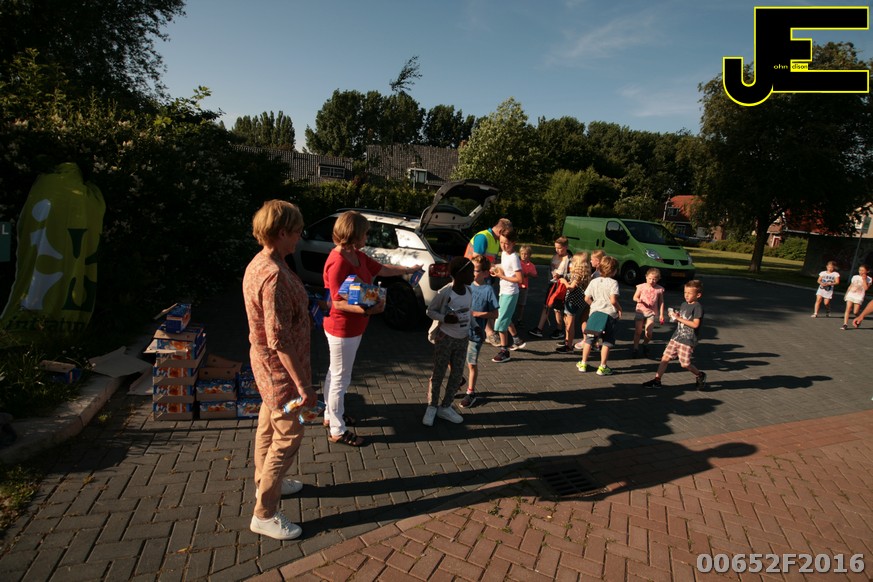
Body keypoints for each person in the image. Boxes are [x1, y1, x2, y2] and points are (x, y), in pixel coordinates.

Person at [242, 200, 316, 541]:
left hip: (267, 368)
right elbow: (279, 340)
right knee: (287, 437)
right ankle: (265, 513)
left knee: (267, 427)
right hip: (281, 373)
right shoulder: (273, 276)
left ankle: (266, 483)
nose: (300, 237)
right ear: (282, 232)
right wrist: (304, 386)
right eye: (297, 231)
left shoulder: (260, 263)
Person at [322, 211, 422, 446]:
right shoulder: (338, 262)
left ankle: (331, 415)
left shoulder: (356, 254)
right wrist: (367, 311)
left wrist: (408, 270)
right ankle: (337, 429)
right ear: (354, 234)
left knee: (335, 373)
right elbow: (336, 302)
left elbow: (381, 269)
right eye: (365, 233)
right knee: (340, 378)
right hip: (342, 328)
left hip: (354, 327)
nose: (367, 237)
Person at [423, 257, 475, 425]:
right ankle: (432, 406)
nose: (473, 275)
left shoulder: (469, 291)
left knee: (457, 374)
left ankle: (445, 407)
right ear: (459, 274)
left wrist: (475, 326)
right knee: (438, 373)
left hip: (462, 339)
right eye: (471, 272)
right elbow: (430, 311)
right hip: (445, 338)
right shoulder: (446, 292)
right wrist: (445, 318)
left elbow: (468, 312)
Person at [642, 280, 707, 389]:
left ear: (698, 295)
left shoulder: (697, 307)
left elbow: (695, 324)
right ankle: (657, 380)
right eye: (685, 292)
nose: (686, 295)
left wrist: (679, 318)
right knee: (665, 358)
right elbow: (682, 319)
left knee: (685, 364)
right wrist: (675, 316)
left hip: (688, 340)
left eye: (689, 293)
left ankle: (700, 375)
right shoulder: (684, 304)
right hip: (676, 337)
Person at [460, 254, 500, 408]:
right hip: (460, 331)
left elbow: (495, 314)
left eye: (475, 270)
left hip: (475, 334)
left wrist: (478, 314)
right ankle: (459, 380)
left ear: (485, 273)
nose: (472, 273)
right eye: (471, 270)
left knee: (471, 364)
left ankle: (471, 393)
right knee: (452, 359)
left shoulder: (488, 290)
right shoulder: (465, 286)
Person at [465, 218, 512, 346]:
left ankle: (488, 331)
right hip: (474, 276)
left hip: (485, 276)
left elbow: (491, 260)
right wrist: (495, 268)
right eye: (505, 234)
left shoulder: (495, 239)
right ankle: (488, 333)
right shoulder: (483, 237)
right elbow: (476, 260)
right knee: (480, 304)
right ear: (501, 231)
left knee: (487, 304)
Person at [576, 255, 622, 376]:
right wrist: (619, 308)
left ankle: (583, 363)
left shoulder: (594, 281)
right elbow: (613, 300)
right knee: (607, 341)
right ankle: (602, 367)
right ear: (614, 271)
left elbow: (586, 298)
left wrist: (594, 305)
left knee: (589, 340)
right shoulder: (614, 283)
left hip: (595, 314)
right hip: (609, 315)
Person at [490, 227, 526, 363]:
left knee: (500, 323)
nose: (503, 246)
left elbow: (520, 279)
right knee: (506, 317)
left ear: (513, 243)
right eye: (501, 242)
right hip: (503, 291)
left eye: (507, 243)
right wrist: (495, 267)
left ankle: (504, 351)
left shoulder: (514, 258)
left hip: (510, 293)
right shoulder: (505, 254)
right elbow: (505, 267)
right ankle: (517, 340)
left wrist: (501, 276)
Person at [529, 236, 571, 339]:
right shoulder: (554, 257)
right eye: (556, 247)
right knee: (547, 305)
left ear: (566, 247)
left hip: (561, 286)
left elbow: (571, 274)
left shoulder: (570, 259)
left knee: (558, 309)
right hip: (553, 284)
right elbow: (551, 269)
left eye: (559, 248)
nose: (557, 250)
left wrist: (561, 276)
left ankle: (560, 330)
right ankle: (539, 328)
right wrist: (552, 277)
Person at [556, 252, 591, 353]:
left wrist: (563, 281)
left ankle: (569, 346)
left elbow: (570, 288)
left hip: (572, 301)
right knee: (567, 321)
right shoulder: (585, 275)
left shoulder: (577, 275)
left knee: (570, 324)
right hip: (578, 301)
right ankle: (567, 341)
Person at [632, 268, 666, 357]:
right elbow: (635, 297)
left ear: (658, 279)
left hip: (651, 312)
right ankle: (635, 348)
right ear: (646, 277)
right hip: (640, 311)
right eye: (650, 278)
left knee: (649, 333)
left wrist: (661, 314)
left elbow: (661, 302)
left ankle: (645, 344)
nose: (651, 281)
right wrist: (638, 299)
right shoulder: (641, 287)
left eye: (654, 279)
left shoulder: (659, 289)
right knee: (638, 331)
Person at [514, 244, 538, 328]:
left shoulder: (531, 265)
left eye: (526, 254)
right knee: (513, 303)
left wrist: (530, 274)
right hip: (515, 285)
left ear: (529, 255)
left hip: (524, 287)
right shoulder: (517, 263)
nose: (524, 256)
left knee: (522, 304)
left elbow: (535, 275)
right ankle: (510, 317)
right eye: (522, 254)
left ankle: (520, 319)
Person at [841, 264, 870, 330]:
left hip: (859, 296)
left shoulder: (869, 279)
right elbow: (850, 286)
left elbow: (866, 288)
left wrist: (864, 279)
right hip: (851, 294)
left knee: (855, 312)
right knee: (848, 308)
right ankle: (845, 324)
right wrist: (846, 294)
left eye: (863, 270)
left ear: (867, 271)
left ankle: (858, 319)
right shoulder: (855, 277)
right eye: (860, 270)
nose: (861, 272)